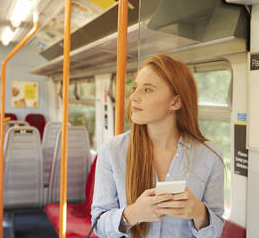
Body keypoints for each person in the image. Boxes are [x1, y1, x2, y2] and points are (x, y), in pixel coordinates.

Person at [91, 54, 225, 238]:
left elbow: (215, 232)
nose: (134, 97)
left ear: (175, 102)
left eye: (147, 90)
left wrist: (199, 212)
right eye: (135, 88)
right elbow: (98, 224)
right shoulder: (113, 151)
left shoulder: (210, 157)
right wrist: (133, 214)